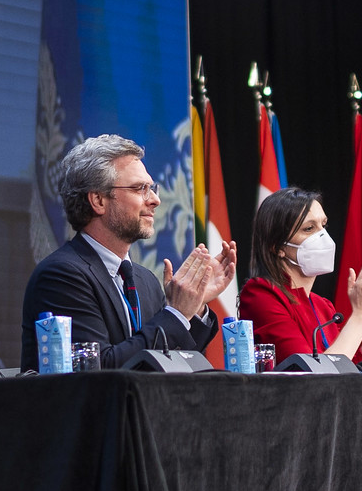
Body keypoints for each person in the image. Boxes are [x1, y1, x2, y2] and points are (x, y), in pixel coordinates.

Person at [19, 136, 237, 370]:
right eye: (139, 189)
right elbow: (101, 369)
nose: (155, 200)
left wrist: (193, 307)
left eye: (152, 188)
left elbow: (176, 363)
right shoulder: (61, 276)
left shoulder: (145, 280)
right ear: (98, 200)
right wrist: (176, 313)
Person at [236, 188, 362, 364]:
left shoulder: (322, 306)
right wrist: (361, 314)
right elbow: (313, 374)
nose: (323, 236)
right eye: (309, 229)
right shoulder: (260, 294)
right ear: (278, 247)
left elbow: (361, 369)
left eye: (323, 225)